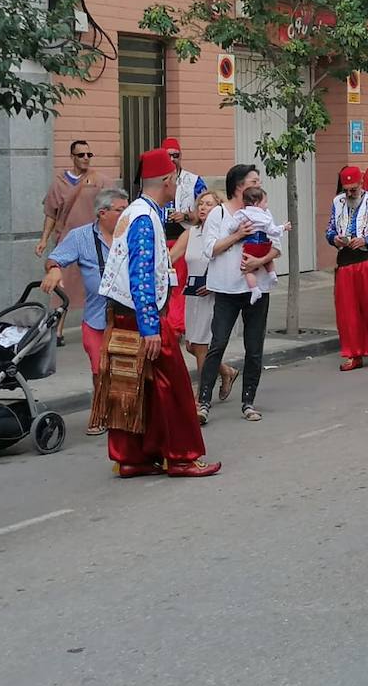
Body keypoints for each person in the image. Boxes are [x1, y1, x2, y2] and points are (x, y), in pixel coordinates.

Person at [95, 150, 221, 478]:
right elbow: (141, 275)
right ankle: (181, 457)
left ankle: (132, 458)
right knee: (174, 387)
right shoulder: (144, 218)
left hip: (126, 313)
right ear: (166, 180)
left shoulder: (137, 211)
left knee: (134, 386)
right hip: (141, 316)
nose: (177, 185)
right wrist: (150, 327)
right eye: (174, 179)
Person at [42, 187, 129, 434]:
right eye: (121, 210)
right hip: (97, 317)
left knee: (126, 368)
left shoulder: (134, 232)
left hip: (128, 316)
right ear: (103, 213)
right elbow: (54, 258)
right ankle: (100, 411)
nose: (126, 214)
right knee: (100, 368)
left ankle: (125, 411)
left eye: (127, 209)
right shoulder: (80, 236)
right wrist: (54, 269)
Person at [196, 164, 279, 422]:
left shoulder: (262, 211)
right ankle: (203, 402)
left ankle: (248, 403)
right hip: (226, 289)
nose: (258, 184)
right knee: (218, 343)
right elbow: (210, 249)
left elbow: (276, 246)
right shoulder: (219, 214)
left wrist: (259, 261)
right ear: (239, 186)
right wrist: (238, 235)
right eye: (254, 181)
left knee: (254, 347)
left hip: (256, 289)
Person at [326, 165, 368, 372]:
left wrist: (365, 240)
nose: (349, 194)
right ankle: (354, 353)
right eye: (346, 190)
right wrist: (334, 238)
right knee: (348, 311)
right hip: (346, 262)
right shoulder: (337, 202)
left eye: (353, 190)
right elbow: (330, 230)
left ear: (361, 184)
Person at [179, 190, 237, 402]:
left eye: (209, 204)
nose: (203, 208)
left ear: (219, 209)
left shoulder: (223, 234)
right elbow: (170, 256)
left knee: (201, 346)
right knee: (191, 346)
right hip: (193, 296)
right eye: (201, 204)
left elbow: (233, 265)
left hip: (214, 295)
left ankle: (202, 396)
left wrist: (214, 284)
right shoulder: (191, 233)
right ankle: (226, 371)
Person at [36, 139, 103, 258]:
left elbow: (113, 206)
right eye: (81, 155)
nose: (86, 158)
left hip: (92, 240)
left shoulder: (99, 180)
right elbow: (51, 214)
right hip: (66, 240)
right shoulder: (59, 183)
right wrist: (44, 240)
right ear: (72, 157)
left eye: (89, 155)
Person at [236, 186, 288, 303]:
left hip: (251, 246)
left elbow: (232, 226)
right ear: (256, 203)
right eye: (265, 202)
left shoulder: (242, 214)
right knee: (268, 259)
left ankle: (255, 290)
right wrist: (283, 227)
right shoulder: (265, 216)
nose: (267, 205)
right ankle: (272, 274)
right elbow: (273, 231)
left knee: (247, 270)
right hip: (264, 244)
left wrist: (236, 231)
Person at [161, 137, 206, 227]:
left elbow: (206, 210)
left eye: (175, 155)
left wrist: (186, 216)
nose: (172, 159)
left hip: (187, 230)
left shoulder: (195, 181)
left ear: (180, 156)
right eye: (168, 156)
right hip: (161, 230)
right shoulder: (154, 181)